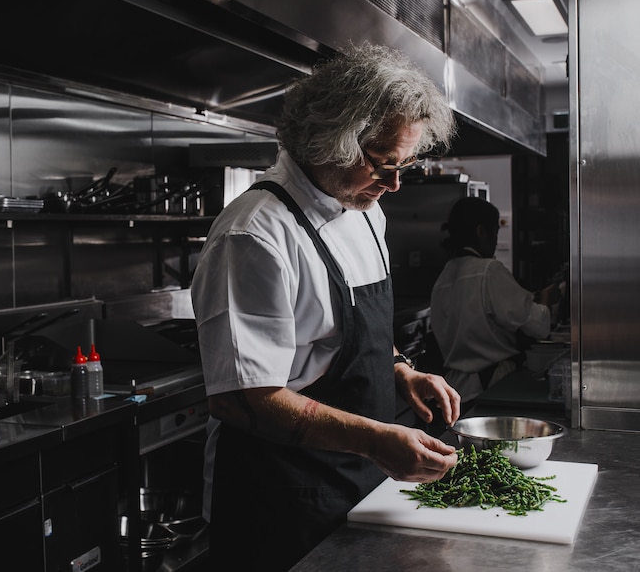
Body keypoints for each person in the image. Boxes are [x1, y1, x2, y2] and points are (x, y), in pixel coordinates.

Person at [190, 42, 462, 572]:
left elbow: (344, 335)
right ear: (328, 143)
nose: (394, 184)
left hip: (357, 477)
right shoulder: (255, 235)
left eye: (404, 164)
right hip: (279, 497)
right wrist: (377, 439)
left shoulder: (363, 211)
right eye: (384, 165)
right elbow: (243, 400)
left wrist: (400, 369)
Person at [429, 196, 555, 406]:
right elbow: (538, 325)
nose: (496, 241)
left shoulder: (444, 276)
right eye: (495, 232)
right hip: (492, 386)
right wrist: (547, 299)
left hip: (455, 389)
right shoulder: (488, 271)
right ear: (481, 232)